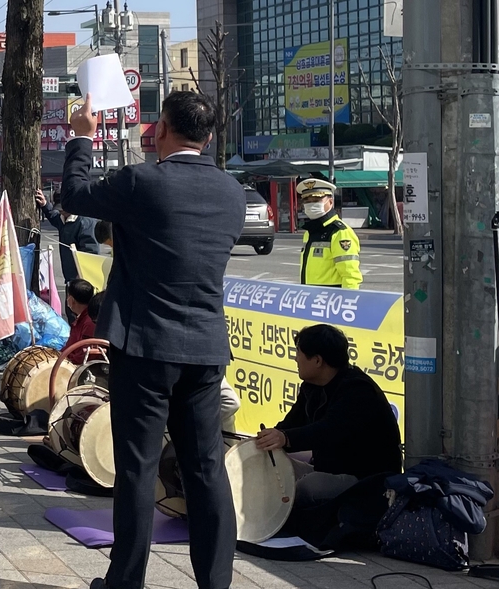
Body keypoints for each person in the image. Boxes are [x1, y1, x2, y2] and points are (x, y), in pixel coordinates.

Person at [61, 91, 245, 589]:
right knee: (206, 469)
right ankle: (216, 582)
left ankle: (125, 583)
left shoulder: (143, 181)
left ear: (161, 129)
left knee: (138, 471)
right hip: (205, 348)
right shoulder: (233, 192)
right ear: (207, 137)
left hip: (143, 347)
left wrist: (81, 133)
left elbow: (74, 196)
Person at [256, 324, 402, 509]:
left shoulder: (357, 390)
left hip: (365, 480)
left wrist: (285, 438)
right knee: (269, 467)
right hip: (327, 468)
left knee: (306, 488)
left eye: (299, 353)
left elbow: (328, 431)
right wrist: (270, 438)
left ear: (317, 361)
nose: (295, 359)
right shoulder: (312, 385)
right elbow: (290, 423)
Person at [297, 178, 363, 289]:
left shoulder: (339, 232)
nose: (310, 204)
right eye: (307, 201)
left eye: (316, 200)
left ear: (330, 202)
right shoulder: (310, 232)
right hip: (311, 298)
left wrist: (346, 302)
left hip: (331, 301)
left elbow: (351, 276)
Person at [35, 188, 99, 284]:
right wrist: (45, 205)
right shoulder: (64, 218)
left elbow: (90, 253)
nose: (61, 212)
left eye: (63, 209)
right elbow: (54, 216)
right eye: (59, 209)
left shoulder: (85, 222)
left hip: (82, 280)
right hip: (70, 279)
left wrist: (82, 276)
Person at [61, 279, 97, 364]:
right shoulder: (82, 318)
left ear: (72, 300)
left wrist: (65, 360)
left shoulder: (89, 322)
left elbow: (84, 355)